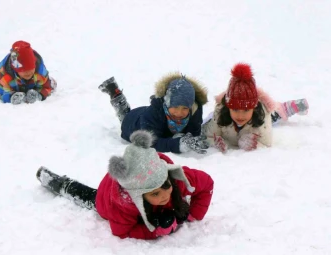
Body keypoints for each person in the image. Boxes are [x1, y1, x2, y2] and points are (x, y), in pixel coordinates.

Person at [36, 130, 214, 240]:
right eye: (154, 194)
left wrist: (193, 214)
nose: (164, 196)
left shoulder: (174, 178)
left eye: (165, 187)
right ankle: (57, 183)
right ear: (139, 196)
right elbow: (121, 232)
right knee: (88, 196)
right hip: (107, 197)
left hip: (135, 176)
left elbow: (207, 184)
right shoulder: (122, 205)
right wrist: (154, 231)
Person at [202, 63, 309, 152]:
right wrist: (218, 143)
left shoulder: (262, 116)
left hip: (258, 118)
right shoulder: (220, 113)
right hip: (230, 118)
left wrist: (253, 144)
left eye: (246, 110)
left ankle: (287, 107)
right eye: (235, 109)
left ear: (254, 107)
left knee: (274, 115)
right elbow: (208, 136)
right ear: (228, 107)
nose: (240, 115)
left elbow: (266, 143)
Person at [98, 73, 209, 154]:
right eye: (175, 107)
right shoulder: (152, 114)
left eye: (185, 108)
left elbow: (194, 132)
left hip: (149, 117)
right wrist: (178, 144)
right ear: (166, 103)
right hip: (133, 123)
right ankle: (116, 95)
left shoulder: (195, 110)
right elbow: (150, 143)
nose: (179, 113)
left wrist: (190, 139)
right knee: (125, 115)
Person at [0, 40, 57, 104]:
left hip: (33, 80)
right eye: (24, 71)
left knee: (51, 84)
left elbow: (47, 87)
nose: (28, 73)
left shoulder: (40, 72)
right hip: (5, 75)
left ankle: (48, 81)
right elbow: (2, 93)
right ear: (16, 69)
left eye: (31, 69)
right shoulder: (6, 77)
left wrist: (40, 95)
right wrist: (11, 96)